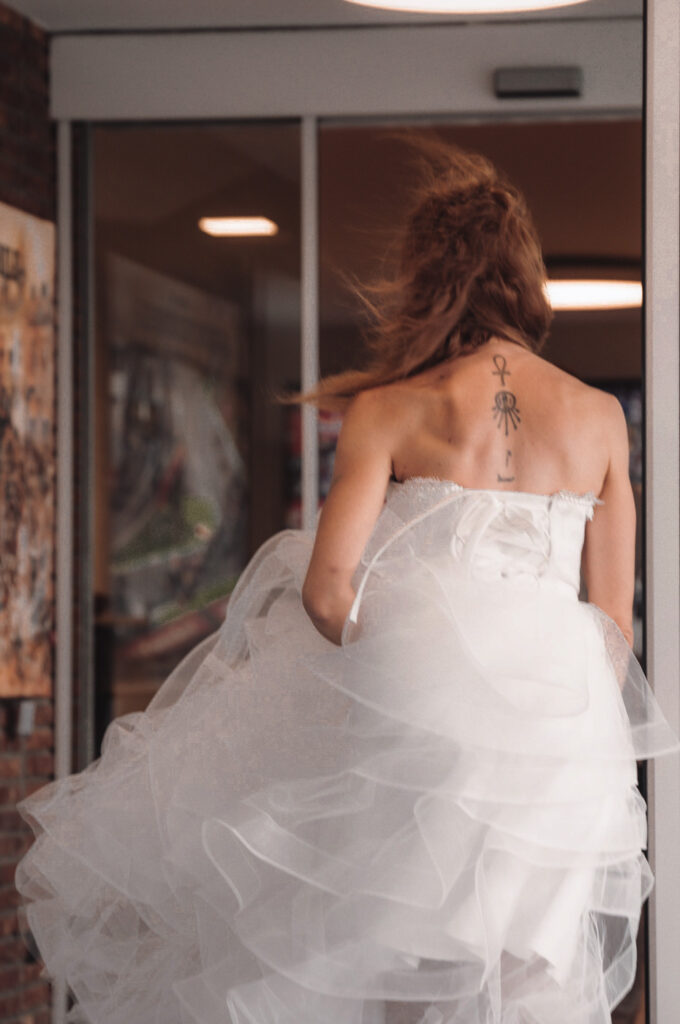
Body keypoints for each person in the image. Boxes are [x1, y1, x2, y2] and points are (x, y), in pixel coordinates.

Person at [15, 137, 679, 1024]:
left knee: (382, 948)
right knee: (527, 975)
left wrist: (418, 656)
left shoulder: (391, 408)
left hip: (417, 701)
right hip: (558, 727)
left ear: (428, 279)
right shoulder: (599, 418)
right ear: (525, 278)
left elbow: (328, 593)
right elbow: (613, 625)